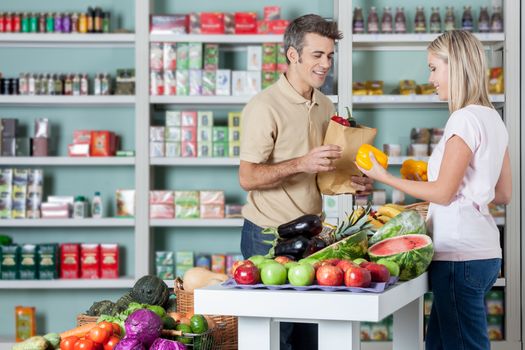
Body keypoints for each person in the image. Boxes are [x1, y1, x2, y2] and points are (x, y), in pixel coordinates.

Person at [357, 30, 512, 350]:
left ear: (454, 66)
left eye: (433, 68)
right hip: (484, 254)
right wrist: (467, 192)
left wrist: (383, 176)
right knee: (440, 344)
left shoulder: (464, 119)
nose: (430, 78)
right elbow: (503, 193)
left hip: (459, 256)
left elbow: (442, 193)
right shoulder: (493, 119)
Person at [239, 14, 373, 350]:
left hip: (312, 236)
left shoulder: (324, 104)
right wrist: (302, 162)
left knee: (310, 337)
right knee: (277, 338)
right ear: (293, 55)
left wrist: (351, 183)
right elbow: (248, 177)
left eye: (330, 56)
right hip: (267, 237)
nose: (325, 64)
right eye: (317, 55)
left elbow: (324, 174)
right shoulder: (263, 107)